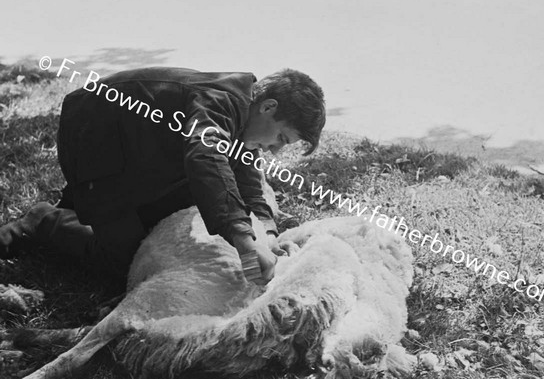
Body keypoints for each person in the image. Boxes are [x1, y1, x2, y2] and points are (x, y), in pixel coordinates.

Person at [0, 67, 326, 285]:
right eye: (282, 139)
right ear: (268, 107)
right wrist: (243, 240)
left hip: (142, 149)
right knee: (127, 263)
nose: (275, 151)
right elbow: (205, 158)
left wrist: (268, 232)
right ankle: (43, 219)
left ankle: (91, 206)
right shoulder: (221, 100)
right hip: (96, 140)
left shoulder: (246, 110)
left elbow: (247, 177)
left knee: (186, 207)